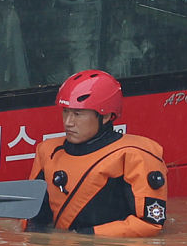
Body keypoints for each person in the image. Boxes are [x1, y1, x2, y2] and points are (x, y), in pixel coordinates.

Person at [24, 70, 168, 236]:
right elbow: (33, 215)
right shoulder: (48, 151)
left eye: (77, 114)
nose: (68, 122)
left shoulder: (136, 156)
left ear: (105, 116)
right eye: (65, 112)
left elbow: (150, 224)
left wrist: (86, 236)